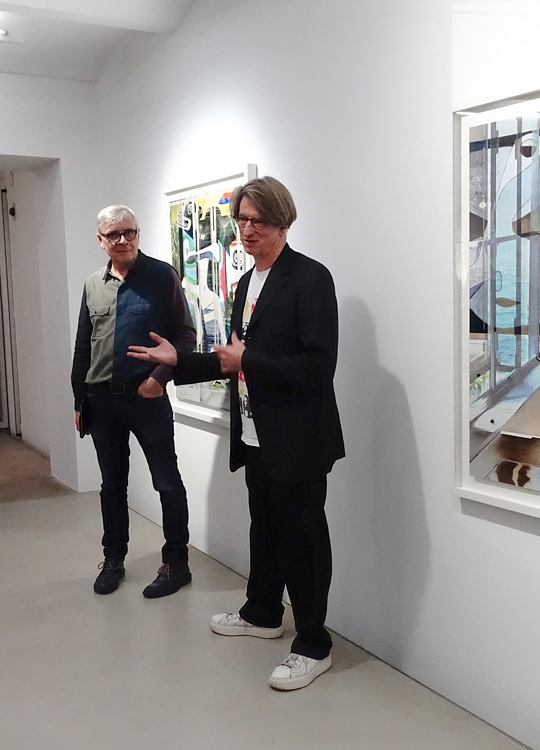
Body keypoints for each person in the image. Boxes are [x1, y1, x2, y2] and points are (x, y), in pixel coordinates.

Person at [129, 176, 345, 691]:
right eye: (242, 220)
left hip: (298, 437)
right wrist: (179, 361)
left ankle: (313, 644)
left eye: (258, 221)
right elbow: (232, 361)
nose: (247, 230)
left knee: (303, 540)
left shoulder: (310, 279)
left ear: (283, 223)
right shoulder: (247, 283)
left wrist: (249, 359)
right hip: (254, 431)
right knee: (264, 528)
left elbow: (318, 367)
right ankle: (263, 613)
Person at [71, 205, 197, 598]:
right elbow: (83, 345)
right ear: (101, 240)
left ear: (138, 234)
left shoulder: (161, 276)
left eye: (130, 232)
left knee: (167, 483)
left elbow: (185, 335)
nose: (123, 240)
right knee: (112, 485)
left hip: (147, 398)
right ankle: (113, 559)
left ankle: (176, 564)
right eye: (114, 234)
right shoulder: (93, 284)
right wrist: (79, 399)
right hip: (102, 400)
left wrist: (159, 379)